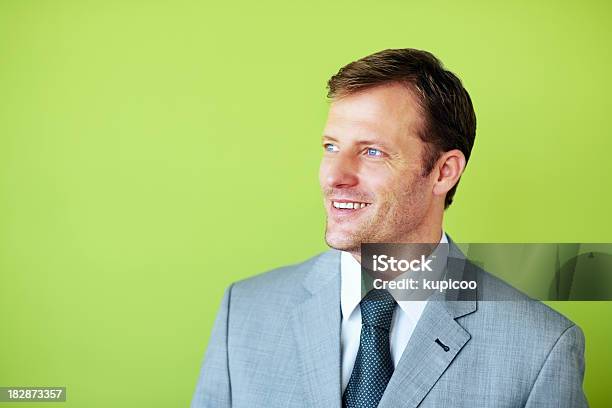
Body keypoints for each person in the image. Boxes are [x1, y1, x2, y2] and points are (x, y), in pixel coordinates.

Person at [191, 49, 588, 407]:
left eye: (372, 152)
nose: (335, 175)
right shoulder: (243, 312)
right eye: (330, 147)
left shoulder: (541, 348)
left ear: (443, 171)